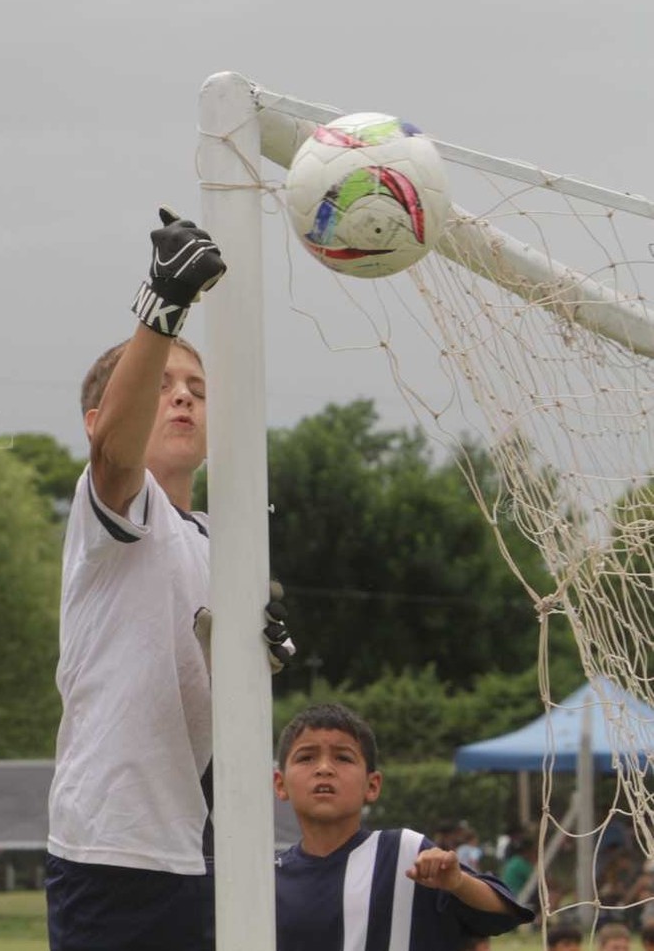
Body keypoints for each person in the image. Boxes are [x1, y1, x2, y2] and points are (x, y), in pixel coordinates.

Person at [45, 208, 293, 951]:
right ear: (102, 415)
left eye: (197, 385)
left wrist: (257, 658)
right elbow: (115, 458)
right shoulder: (116, 507)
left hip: (206, 842)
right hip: (115, 846)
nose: (182, 395)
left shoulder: (225, 540)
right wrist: (161, 307)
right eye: (162, 385)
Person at [273, 703, 533, 950]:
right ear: (280, 784)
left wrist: (458, 883)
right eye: (306, 757)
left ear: (372, 786)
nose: (324, 768)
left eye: (343, 757)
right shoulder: (269, 879)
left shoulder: (405, 853)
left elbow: (503, 915)